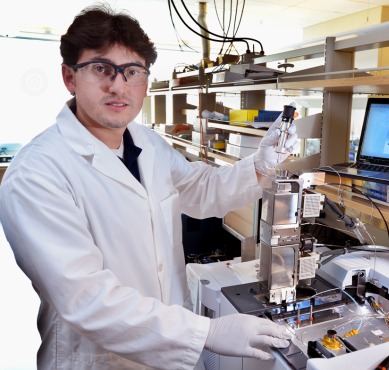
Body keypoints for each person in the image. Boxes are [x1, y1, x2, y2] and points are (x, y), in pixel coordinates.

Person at [0, 4, 298, 370]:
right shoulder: (37, 172)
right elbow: (85, 298)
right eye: (101, 68)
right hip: (99, 360)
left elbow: (200, 188)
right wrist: (205, 334)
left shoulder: (147, 143)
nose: (118, 85)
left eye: (132, 71)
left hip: (169, 348)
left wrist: (258, 166)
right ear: (69, 77)